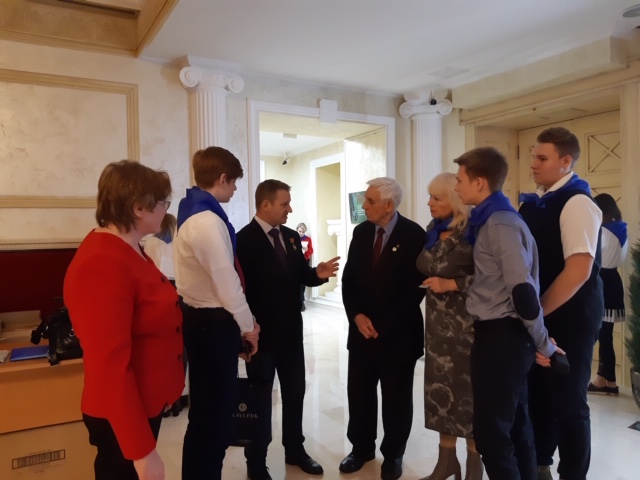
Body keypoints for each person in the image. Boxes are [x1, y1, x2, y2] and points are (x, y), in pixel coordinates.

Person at [64, 160, 185, 480]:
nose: (166, 209)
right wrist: (142, 452)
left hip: (143, 404)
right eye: (163, 202)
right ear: (138, 208)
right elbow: (109, 366)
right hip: (121, 416)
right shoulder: (102, 260)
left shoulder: (130, 248)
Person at [454, 147, 565, 480]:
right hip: (501, 336)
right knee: (515, 427)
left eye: (460, 180)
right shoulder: (492, 219)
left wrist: (544, 344)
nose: (456, 187)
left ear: (480, 182)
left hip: (502, 338)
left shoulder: (500, 223)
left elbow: (522, 292)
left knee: (492, 434)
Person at [236, 179, 339, 480]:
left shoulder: (292, 237)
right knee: (260, 399)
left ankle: (294, 450)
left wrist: (317, 274)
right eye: (285, 204)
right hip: (261, 338)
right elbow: (238, 291)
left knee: (295, 394)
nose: (290, 209)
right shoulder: (242, 240)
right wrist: (243, 333)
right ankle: (256, 460)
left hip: (292, 335)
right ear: (266, 204)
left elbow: (300, 275)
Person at [518, 127, 603, 480]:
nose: (533, 164)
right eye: (533, 157)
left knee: (569, 402)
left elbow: (579, 271)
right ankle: (541, 465)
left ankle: (573, 474)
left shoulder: (578, 202)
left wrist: (535, 313)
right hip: (540, 314)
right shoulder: (533, 202)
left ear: (566, 161)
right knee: (537, 394)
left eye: (542, 158)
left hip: (571, 316)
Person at [174, 147, 260, 480]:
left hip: (202, 322)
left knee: (205, 416)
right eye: (234, 182)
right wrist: (249, 326)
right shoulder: (207, 221)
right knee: (215, 419)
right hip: (212, 324)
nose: (236, 189)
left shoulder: (191, 210)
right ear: (222, 178)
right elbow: (227, 283)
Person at [340, 177, 426, 480]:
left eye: (370, 201)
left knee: (396, 399)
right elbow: (349, 280)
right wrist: (356, 316)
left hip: (399, 336)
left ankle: (393, 454)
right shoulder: (361, 232)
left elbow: (414, 290)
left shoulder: (414, 235)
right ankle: (361, 449)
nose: (364, 206)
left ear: (388, 206)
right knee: (359, 393)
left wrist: (381, 324)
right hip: (361, 332)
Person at [415, 173, 482, 480]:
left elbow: (493, 277)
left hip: (467, 329)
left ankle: (474, 467)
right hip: (437, 329)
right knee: (440, 395)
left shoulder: (475, 231)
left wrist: (452, 283)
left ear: (454, 200)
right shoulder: (434, 229)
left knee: (468, 398)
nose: (429, 203)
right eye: (430, 197)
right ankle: (446, 462)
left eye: (436, 197)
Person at [142, 213, 188, 417]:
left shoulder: (150, 243)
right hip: (181, 291)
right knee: (181, 348)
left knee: (163, 347)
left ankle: (164, 401)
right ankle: (178, 398)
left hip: (159, 291)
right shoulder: (181, 243)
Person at [588, 193, 628, 395]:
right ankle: (605, 380)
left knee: (601, 336)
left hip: (602, 280)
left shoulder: (604, 231)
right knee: (606, 335)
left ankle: (608, 381)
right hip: (613, 280)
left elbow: (594, 257)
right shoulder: (621, 229)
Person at [296, 222, 314, 311]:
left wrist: (306, 250)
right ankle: (301, 302)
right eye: (299, 231)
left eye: (302, 232)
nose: (301, 233)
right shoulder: (293, 238)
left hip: (305, 260)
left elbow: (311, 250)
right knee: (298, 282)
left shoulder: (308, 239)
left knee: (303, 282)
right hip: (296, 261)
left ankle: (301, 301)